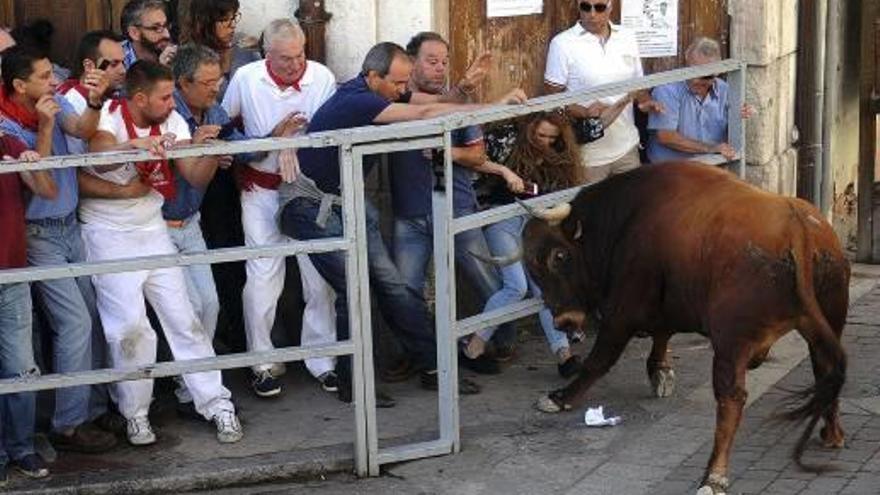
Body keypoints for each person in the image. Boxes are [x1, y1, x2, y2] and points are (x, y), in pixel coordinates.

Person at [279, 41, 527, 402]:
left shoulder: (371, 91)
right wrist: (496, 105)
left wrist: (474, 99)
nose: (403, 89)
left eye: (405, 82)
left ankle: (433, 367)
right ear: (373, 76)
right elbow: (426, 114)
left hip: (346, 201)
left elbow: (428, 105)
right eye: (397, 84)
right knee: (356, 288)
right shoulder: (358, 100)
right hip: (310, 206)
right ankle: (355, 384)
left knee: (393, 286)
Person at [82, 60, 242, 446]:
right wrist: (134, 146)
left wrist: (207, 151)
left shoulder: (173, 121)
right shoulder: (107, 114)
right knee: (129, 328)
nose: (173, 104)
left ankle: (217, 403)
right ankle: (135, 414)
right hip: (107, 231)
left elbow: (193, 175)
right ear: (140, 98)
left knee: (184, 317)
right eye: (166, 96)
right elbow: (98, 152)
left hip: (152, 226)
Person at [0, 44, 119, 453]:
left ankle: (94, 407)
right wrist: (46, 128)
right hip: (38, 235)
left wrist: (93, 101)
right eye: (43, 76)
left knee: (93, 315)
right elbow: (45, 189)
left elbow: (84, 131)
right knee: (74, 324)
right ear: (19, 85)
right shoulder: (8, 127)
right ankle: (68, 425)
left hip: (70, 228)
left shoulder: (50, 102)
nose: (53, 81)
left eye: (53, 72)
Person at [221, 19, 339, 398]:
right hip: (261, 189)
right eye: (285, 59)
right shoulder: (246, 78)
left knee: (318, 277)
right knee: (262, 278)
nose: (294, 65)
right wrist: (272, 139)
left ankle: (324, 361)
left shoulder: (321, 76)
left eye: (300, 55)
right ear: (266, 55)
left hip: (308, 191)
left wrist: (296, 147)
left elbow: (329, 131)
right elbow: (225, 128)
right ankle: (263, 364)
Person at [390, 32, 520, 371]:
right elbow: (425, 108)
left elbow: (478, 156)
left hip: (456, 208)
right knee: (405, 290)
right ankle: (419, 355)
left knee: (486, 280)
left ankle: (499, 341)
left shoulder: (461, 109)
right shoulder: (396, 102)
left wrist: (446, 151)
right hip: (410, 214)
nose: (440, 68)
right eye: (431, 61)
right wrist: (461, 90)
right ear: (411, 62)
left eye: (444, 62)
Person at [479, 112, 587, 377]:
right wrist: (504, 172)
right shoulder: (508, 143)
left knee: (545, 289)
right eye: (541, 135)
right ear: (530, 131)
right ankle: (473, 345)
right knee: (516, 286)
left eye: (552, 137)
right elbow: (476, 157)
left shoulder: (562, 159)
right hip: (503, 218)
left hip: (536, 225)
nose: (546, 142)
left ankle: (564, 356)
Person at [181, 0, 261, 355]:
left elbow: (239, 144)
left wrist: (273, 137)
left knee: (223, 277)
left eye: (219, 81)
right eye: (209, 83)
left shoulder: (213, 107)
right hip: (175, 214)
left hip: (213, 200)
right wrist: (204, 152)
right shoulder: (170, 112)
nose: (216, 89)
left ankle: (233, 349)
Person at [544, 0, 663, 182]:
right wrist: (583, 111)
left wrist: (646, 102)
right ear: (578, 6)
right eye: (586, 7)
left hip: (627, 145)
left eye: (599, 7)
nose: (592, 14)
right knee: (592, 209)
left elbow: (637, 85)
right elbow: (552, 98)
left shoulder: (627, 37)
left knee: (629, 207)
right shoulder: (562, 44)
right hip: (589, 154)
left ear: (610, 7)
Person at [0, 135, 56, 483]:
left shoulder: (8, 142)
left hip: (13, 274)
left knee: (21, 368)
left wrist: (31, 164)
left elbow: (48, 190)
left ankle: (20, 449)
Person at [647, 37, 744, 164]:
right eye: (692, 71)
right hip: (672, 169)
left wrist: (741, 114)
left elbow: (733, 126)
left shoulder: (724, 89)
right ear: (687, 61)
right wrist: (712, 148)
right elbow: (666, 136)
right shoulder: (667, 89)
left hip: (711, 166)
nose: (695, 80)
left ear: (716, 73)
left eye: (705, 76)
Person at [180, 0, 260, 100]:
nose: (232, 25)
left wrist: (263, 49)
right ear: (204, 22)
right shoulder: (191, 58)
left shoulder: (244, 46)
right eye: (224, 20)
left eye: (234, 17)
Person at [120, 0, 177, 68]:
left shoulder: (174, 55)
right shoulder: (116, 59)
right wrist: (161, 69)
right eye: (156, 28)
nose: (167, 34)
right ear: (134, 33)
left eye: (166, 26)